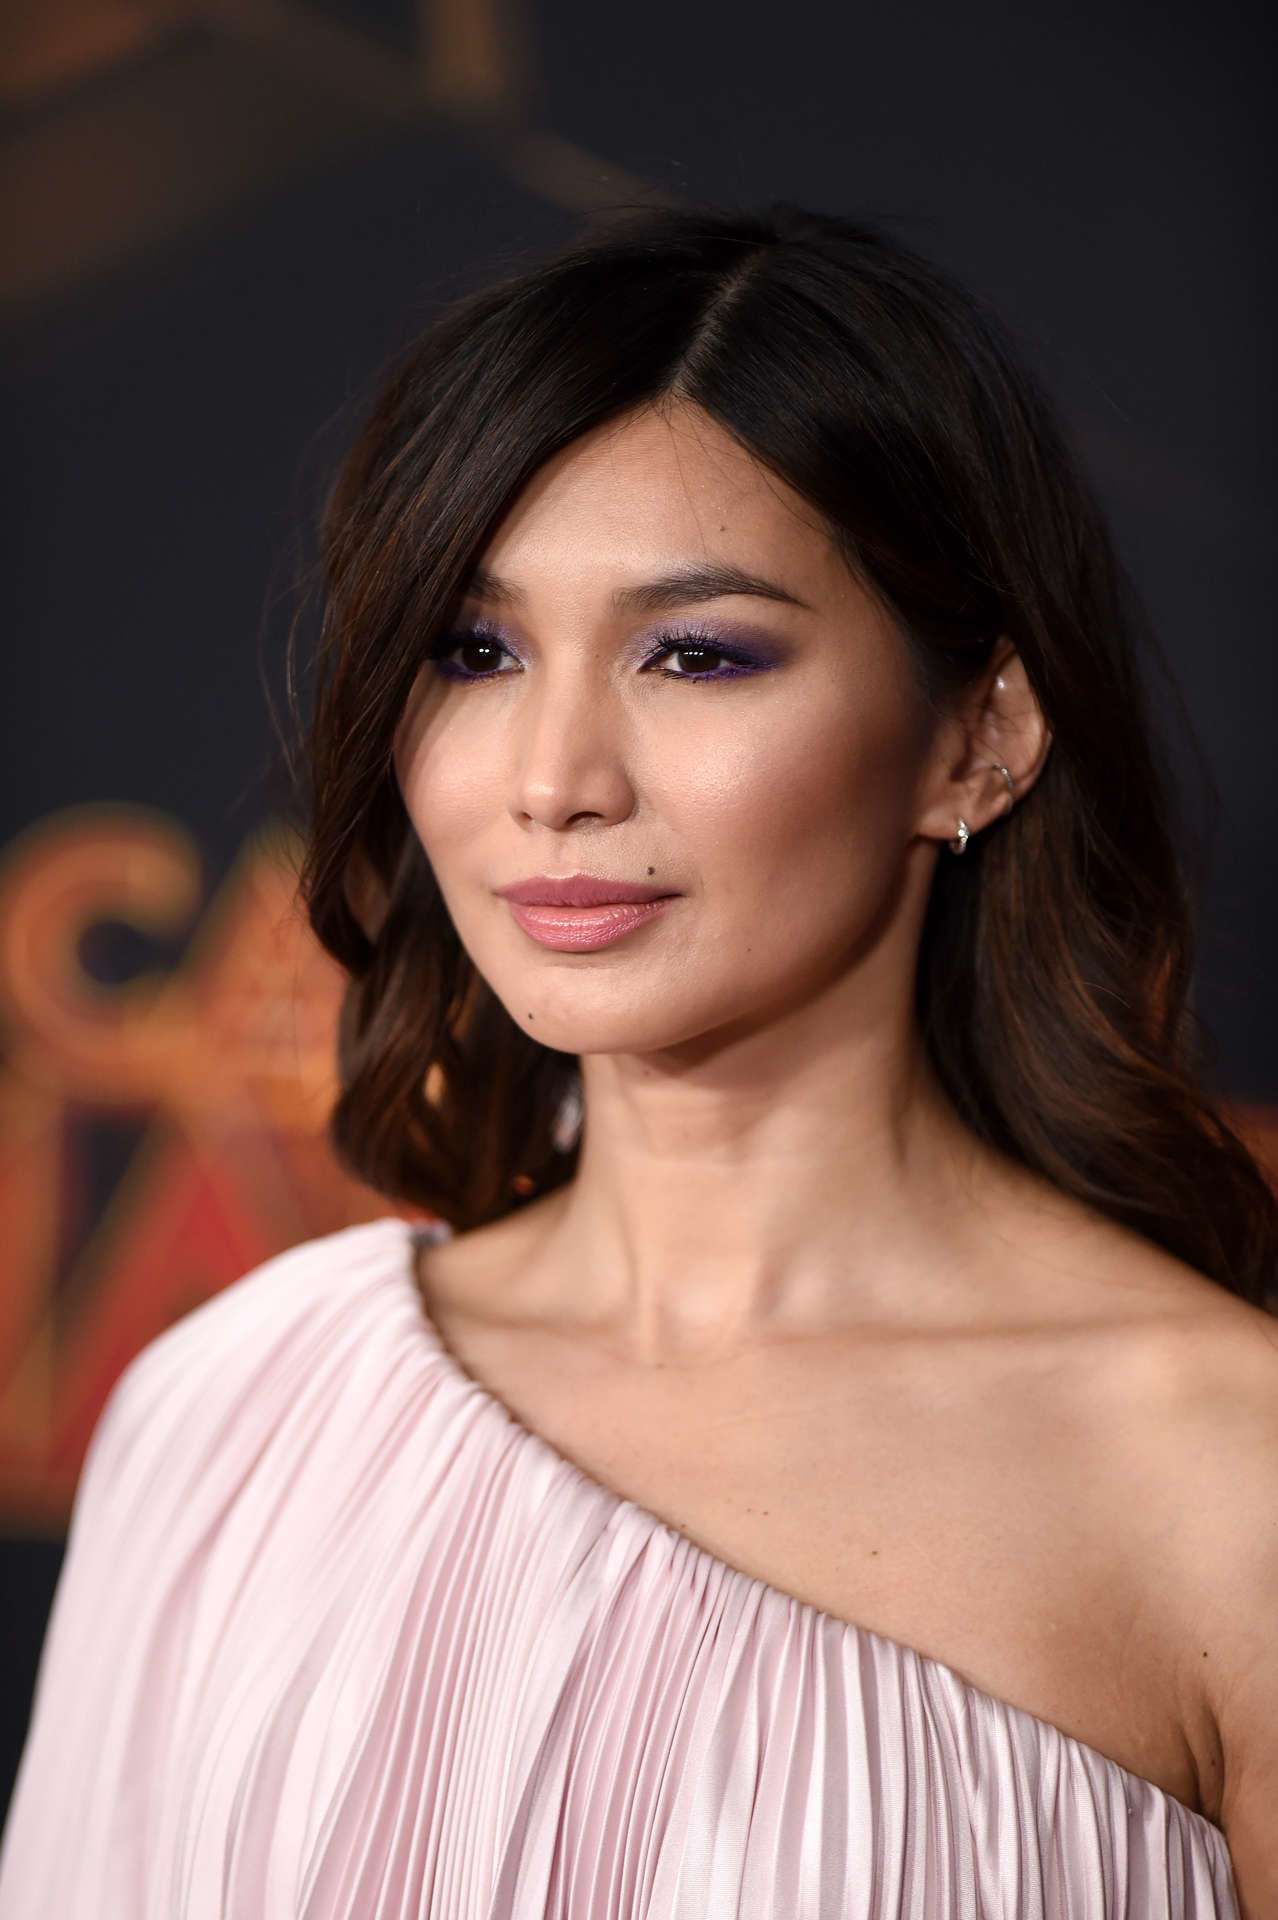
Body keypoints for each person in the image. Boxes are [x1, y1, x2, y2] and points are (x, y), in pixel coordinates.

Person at [1, 198, 1274, 1918]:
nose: (553, 779)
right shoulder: (238, 1405)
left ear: (976, 738)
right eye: (474, 651)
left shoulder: (1225, 1485)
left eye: (695, 654)